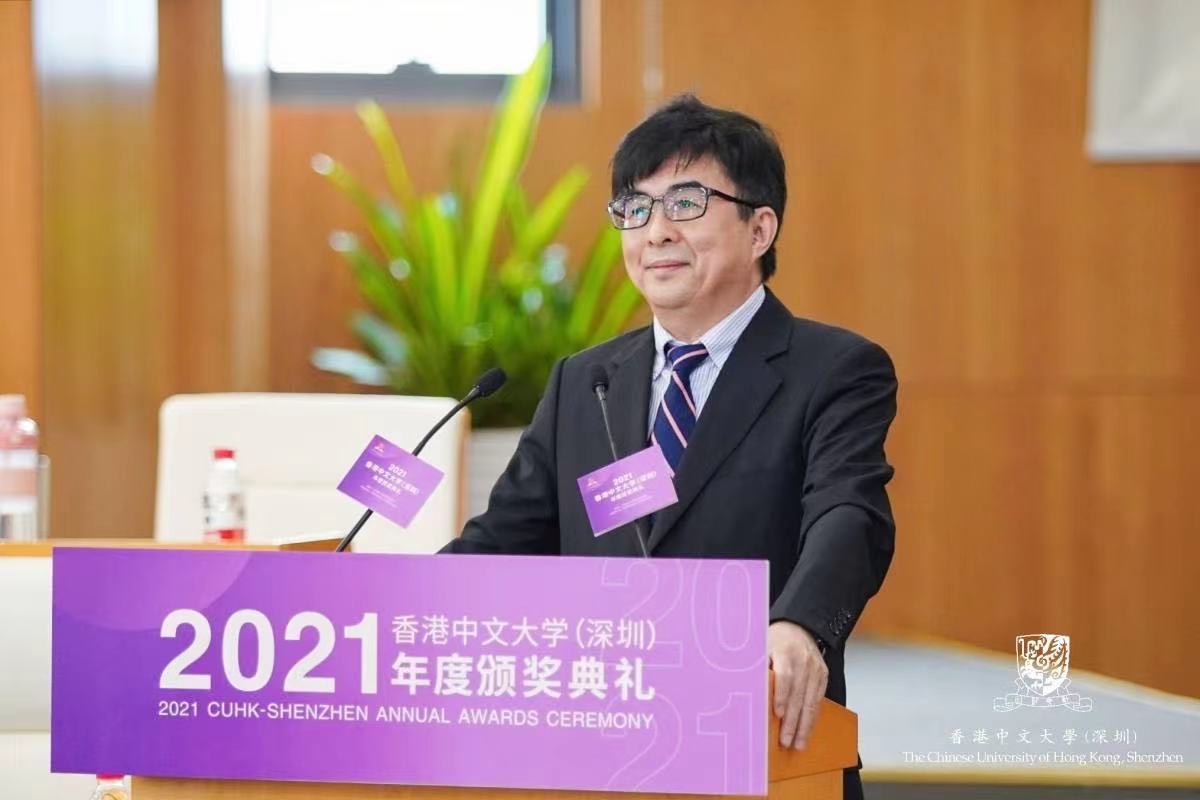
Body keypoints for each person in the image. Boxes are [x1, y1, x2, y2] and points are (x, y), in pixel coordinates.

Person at [442, 94, 897, 800]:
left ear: (760, 228)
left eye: (686, 203)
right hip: (594, 755)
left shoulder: (833, 370)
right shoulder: (585, 381)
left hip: (760, 742)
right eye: (635, 208)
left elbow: (850, 514)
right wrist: (384, 610)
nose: (655, 231)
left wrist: (801, 625)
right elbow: (504, 539)